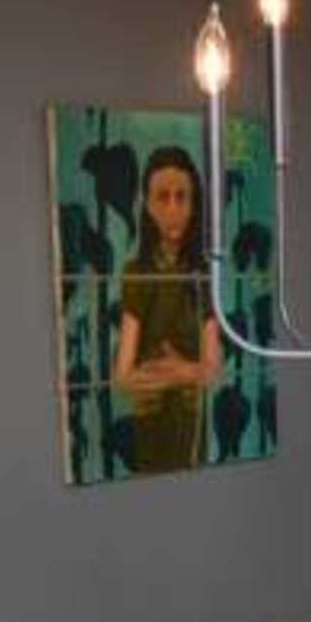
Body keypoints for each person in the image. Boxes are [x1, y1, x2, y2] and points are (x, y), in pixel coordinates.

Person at [111, 144, 221, 472]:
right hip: (150, 425)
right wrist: (188, 373)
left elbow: (213, 369)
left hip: (191, 427)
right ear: (147, 204)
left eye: (181, 196)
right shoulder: (137, 273)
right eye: (162, 197)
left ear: (193, 204)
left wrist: (176, 371)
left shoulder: (203, 274)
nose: (173, 208)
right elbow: (123, 376)